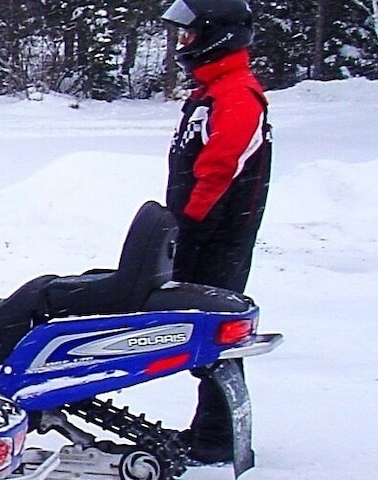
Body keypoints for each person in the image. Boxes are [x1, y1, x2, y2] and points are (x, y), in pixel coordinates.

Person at [160, 0, 272, 465]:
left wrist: (191, 225)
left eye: (189, 34)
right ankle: (211, 429)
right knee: (203, 331)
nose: (184, 44)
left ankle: (218, 437)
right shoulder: (213, 89)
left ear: (217, 34)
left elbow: (222, 168)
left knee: (215, 333)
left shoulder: (236, 94)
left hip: (218, 237)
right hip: (201, 231)